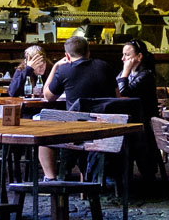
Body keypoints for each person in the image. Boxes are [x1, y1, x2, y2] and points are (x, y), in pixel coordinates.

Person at [40, 36, 115, 179]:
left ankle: (50, 178)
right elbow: (116, 96)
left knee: (42, 127)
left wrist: (55, 66)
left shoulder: (64, 70)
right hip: (105, 126)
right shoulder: (105, 66)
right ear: (88, 52)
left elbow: (48, 96)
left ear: (67, 56)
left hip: (77, 129)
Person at [116, 39, 159, 121]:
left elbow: (122, 93)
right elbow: (114, 88)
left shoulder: (146, 75)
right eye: (123, 55)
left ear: (139, 56)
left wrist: (125, 70)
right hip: (129, 117)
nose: (122, 58)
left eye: (127, 55)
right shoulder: (126, 73)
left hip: (143, 121)